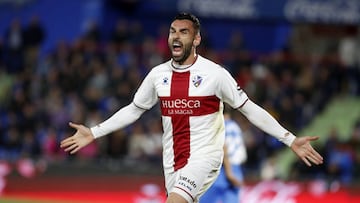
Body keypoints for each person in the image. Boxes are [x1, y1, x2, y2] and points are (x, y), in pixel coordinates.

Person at [60, 13, 323, 203]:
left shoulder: (215, 75)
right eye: (172, 31)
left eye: (183, 32)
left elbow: (249, 109)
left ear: (196, 39)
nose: (175, 36)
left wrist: (289, 139)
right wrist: (94, 132)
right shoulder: (157, 75)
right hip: (173, 161)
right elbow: (134, 109)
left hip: (205, 157)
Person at [199, 107, 247, 203]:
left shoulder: (219, 126)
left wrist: (229, 173)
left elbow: (223, 147)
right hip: (236, 168)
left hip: (222, 169)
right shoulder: (235, 126)